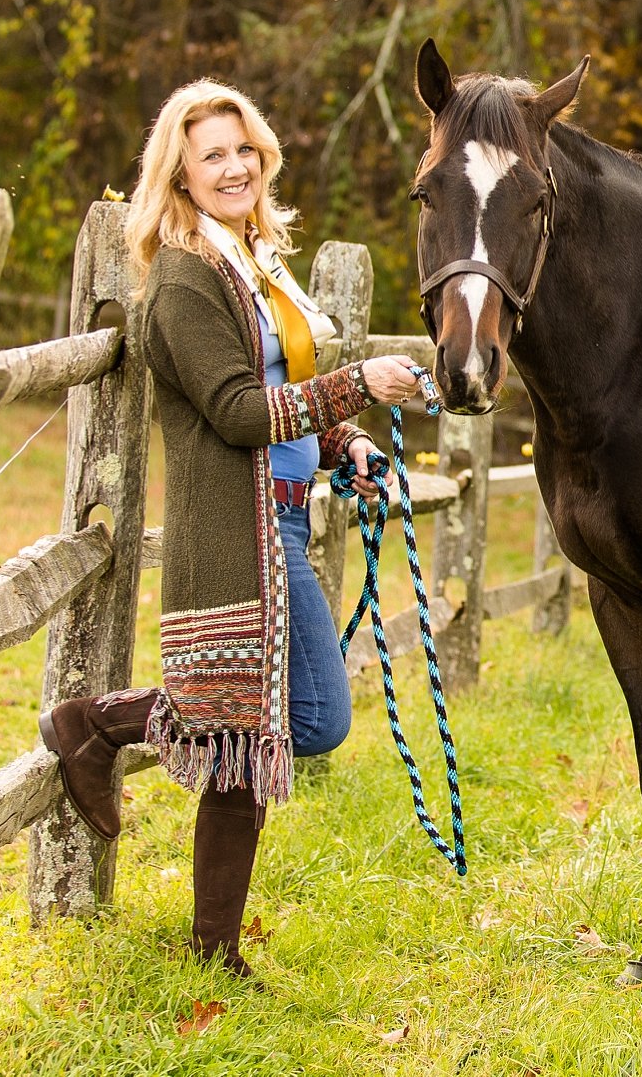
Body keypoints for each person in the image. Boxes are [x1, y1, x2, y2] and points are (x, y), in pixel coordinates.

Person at [37, 78, 428, 977]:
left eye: (242, 147)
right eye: (211, 153)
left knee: (249, 734)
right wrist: (358, 382)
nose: (233, 166)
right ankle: (98, 720)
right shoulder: (183, 276)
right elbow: (239, 411)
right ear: (177, 174)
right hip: (238, 534)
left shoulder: (251, 265)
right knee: (308, 718)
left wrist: (344, 442)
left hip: (281, 517)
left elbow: (282, 401)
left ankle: (212, 947)